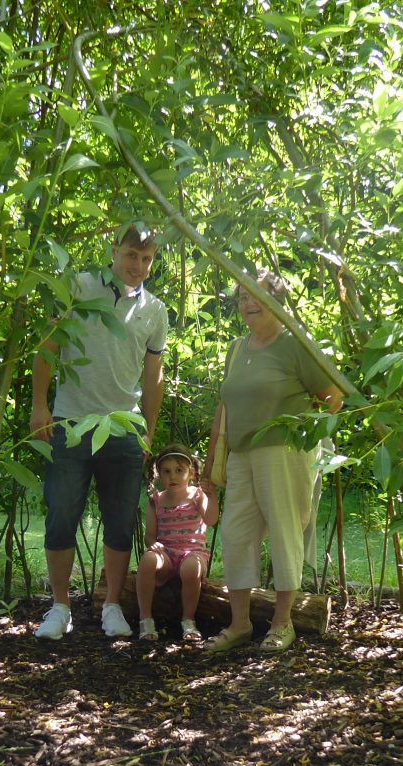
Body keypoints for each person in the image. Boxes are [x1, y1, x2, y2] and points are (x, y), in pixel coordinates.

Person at [30, 221, 168, 640]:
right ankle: (59, 608)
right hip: (69, 424)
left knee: (120, 522)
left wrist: (147, 432)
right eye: (131, 255)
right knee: (61, 517)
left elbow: (153, 376)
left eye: (146, 259)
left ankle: (111, 605)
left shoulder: (155, 311)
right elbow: (49, 345)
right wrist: (39, 406)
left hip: (123, 429)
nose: (137, 265)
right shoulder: (80, 286)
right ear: (114, 251)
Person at [200, 269, 343, 653]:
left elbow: (332, 396)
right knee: (235, 536)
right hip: (242, 454)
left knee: (284, 532)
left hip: (285, 453)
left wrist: (305, 436)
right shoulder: (237, 348)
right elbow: (223, 408)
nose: (247, 304)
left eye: (256, 297)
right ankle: (240, 624)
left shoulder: (296, 345)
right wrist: (210, 463)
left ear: (278, 301)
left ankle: (282, 624)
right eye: (242, 297)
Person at [136, 444, 219, 642]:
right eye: (166, 471)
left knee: (191, 569)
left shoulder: (197, 495)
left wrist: (212, 496)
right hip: (166, 554)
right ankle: (145, 619)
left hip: (193, 554)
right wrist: (153, 545)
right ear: (158, 474)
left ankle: (188, 620)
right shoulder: (155, 500)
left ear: (190, 473)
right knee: (148, 560)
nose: (172, 477)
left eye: (178, 470)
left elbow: (210, 520)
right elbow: (150, 536)